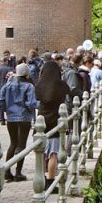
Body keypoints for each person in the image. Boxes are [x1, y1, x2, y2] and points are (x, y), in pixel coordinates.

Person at [0, 63, 38, 181]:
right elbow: (31, 103)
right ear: (26, 74)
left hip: (11, 118)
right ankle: (18, 173)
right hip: (24, 118)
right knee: (22, 145)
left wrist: (6, 111)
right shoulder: (29, 86)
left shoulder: (7, 85)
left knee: (13, 143)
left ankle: (7, 171)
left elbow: (0, 101)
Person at [35, 60, 71, 188]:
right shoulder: (61, 85)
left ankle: (42, 178)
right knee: (53, 153)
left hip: (42, 118)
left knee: (43, 152)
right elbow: (68, 95)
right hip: (55, 119)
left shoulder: (39, 85)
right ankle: (50, 181)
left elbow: (37, 98)